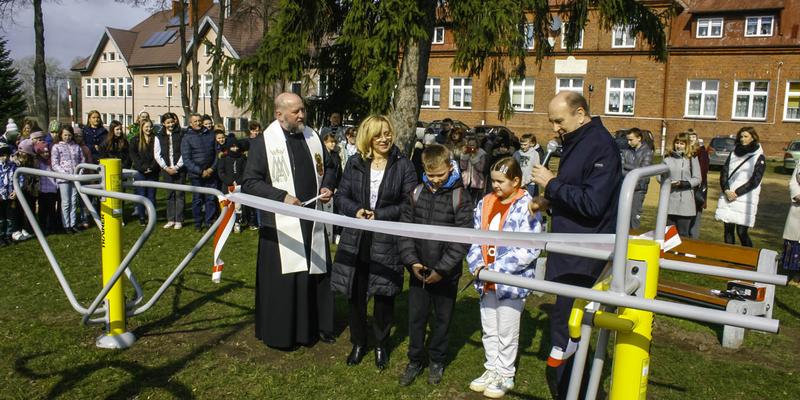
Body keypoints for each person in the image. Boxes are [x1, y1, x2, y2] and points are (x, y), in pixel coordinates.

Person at [529, 91, 621, 400]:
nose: (555, 128)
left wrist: (551, 184)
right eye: (552, 122)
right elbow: (577, 193)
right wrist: (550, 202)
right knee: (567, 322)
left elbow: (593, 204)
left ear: (580, 114)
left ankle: (574, 391)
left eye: (559, 121)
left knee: (569, 325)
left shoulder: (600, 146)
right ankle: (573, 388)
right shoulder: (578, 141)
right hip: (569, 247)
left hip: (584, 253)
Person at [241, 92, 338, 350]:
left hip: (312, 220)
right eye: (296, 112)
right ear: (279, 114)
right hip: (280, 224)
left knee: (315, 274)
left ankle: (317, 327)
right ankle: (283, 333)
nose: (302, 115)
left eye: (302, 110)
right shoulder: (263, 143)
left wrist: (328, 186)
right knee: (286, 279)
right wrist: (281, 196)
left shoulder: (312, 137)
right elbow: (249, 182)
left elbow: (330, 167)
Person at [332, 114, 417, 369]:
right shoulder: (355, 163)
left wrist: (380, 214)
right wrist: (356, 210)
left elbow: (409, 203)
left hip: (387, 240)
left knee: (384, 295)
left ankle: (381, 344)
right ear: (368, 137)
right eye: (378, 135)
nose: (384, 139)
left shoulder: (403, 165)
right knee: (356, 293)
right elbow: (341, 197)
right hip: (356, 238)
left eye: (387, 134)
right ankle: (359, 342)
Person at [397, 144, 473, 386]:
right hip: (418, 269)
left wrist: (442, 270)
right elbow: (405, 231)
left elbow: (463, 239)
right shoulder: (415, 193)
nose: (436, 180)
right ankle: (414, 360)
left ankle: (437, 360)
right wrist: (412, 262)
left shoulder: (460, 197)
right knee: (416, 318)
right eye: (431, 175)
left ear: (450, 167)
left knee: (442, 319)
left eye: (440, 174)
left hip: (446, 274)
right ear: (424, 170)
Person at [467, 157, 542, 398]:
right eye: (493, 181)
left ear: (516, 181)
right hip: (486, 280)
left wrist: (496, 268)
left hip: (511, 283)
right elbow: (475, 237)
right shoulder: (485, 202)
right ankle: (491, 368)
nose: (495, 185)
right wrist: (477, 264)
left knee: (507, 331)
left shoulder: (527, 206)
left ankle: (505, 373)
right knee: (489, 328)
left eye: (501, 181)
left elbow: (530, 248)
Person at [715, 127, 765, 247]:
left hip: (745, 198)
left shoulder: (759, 156)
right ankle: (729, 256)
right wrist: (726, 190)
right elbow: (724, 172)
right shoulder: (733, 154)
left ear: (753, 138)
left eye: (746, 136)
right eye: (741, 136)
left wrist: (737, 193)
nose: (742, 139)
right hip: (728, 195)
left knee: (742, 232)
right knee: (728, 230)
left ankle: (749, 256)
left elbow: (755, 180)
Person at [181, 113, 218, 231]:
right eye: (195, 121)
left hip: (211, 173)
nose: (198, 123)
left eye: (199, 121)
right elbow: (186, 159)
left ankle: (209, 222)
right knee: (197, 199)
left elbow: (217, 154)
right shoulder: (187, 138)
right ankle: (198, 223)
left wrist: (211, 169)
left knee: (210, 199)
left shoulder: (211, 135)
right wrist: (201, 171)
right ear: (190, 123)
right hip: (196, 175)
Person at [659, 133, 700, 237]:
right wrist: (668, 182)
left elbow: (697, 179)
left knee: (683, 234)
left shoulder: (692, 159)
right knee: (669, 235)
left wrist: (682, 184)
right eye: (677, 143)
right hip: (669, 201)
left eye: (682, 143)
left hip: (686, 202)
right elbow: (659, 176)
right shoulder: (667, 159)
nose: (678, 146)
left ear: (687, 145)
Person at [50, 125, 85, 233]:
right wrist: (64, 173)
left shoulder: (76, 147)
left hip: (75, 177)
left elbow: (82, 160)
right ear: (61, 135)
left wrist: (79, 172)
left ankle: (73, 223)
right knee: (66, 202)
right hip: (63, 179)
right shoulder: (56, 147)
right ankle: (66, 225)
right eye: (65, 135)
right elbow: (54, 163)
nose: (67, 137)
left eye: (69, 135)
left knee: (74, 201)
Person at [154, 113, 185, 229]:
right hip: (166, 169)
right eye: (168, 122)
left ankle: (179, 220)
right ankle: (171, 219)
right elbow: (157, 154)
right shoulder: (159, 136)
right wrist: (166, 167)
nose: (170, 124)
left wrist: (177, 167)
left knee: (180, 194)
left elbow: (184, 152)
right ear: (163, 123)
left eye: (172, 122)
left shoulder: (181, 134)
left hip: (179, 169)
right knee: (169, 194)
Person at [621, 128, 653, 230]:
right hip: (625, 187)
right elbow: (620, 169)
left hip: (639, 189)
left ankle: (633, 236)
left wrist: (627, 166)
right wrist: (633, 169)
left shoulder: (647, 152)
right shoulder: (626, 151)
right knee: (622, 216)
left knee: (634, 216)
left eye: (631, 140)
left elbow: (643, 171)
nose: (628, 142)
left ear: (639, 138)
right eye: (627, 140)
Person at [130, 119, 159, 226]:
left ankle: (151, 217)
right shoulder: (135, 140)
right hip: (140, 172)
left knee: (151, 195)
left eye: (150, 126)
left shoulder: (156, 139)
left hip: (153, 171)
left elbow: (158, 155)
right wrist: (142, 168)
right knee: (141, 195)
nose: (149, 129)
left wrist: (152, 167)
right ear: (142, 127)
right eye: (146, 127)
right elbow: (134, 156)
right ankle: (142, 217)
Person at [217, 139, 246, 232]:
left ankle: (237, 222)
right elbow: (221, 172)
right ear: (229, 147)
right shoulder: (224, 159)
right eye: (233, 147)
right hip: (226, 186)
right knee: (227, 205)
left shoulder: (242, 158)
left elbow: (245, 172)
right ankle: (228, 224)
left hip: (238, 186)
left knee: (238, 206)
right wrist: (229, 181)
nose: (235, 148)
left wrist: (238, 181)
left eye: (236, 146)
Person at [781, 164, 800, 287]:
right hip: (798, 207)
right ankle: (792, 273)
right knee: (794, 241)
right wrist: (796, 195)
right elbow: (793, 181)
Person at [688, 130, 709, 238]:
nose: (691, 139)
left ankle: (693, 239)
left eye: (693, 136)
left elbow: (703, 171)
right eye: (689, 136)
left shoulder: (701, 152)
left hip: (697, 188)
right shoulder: (684, 150)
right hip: (685, 187)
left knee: (695, 217)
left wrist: (695, 182)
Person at [460, 136, 487, 203]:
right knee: (465, 200)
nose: (471, 147)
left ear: (477, 145)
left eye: (473, 145)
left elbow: (480, 168)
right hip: (466, 181)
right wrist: (464, 156)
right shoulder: (466, 152)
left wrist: (474, 158)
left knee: (475, 201)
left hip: (477, 181)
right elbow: (463, 167)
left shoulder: (481, 153)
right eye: (469, 145)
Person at [513, 133, 541, 198]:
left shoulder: (535, 154)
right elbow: (513, 167)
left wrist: (526, 182)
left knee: (528, 200)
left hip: (530, 184)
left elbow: (536, 170)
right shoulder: (517, 153)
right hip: (518, 182)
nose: (522, 147)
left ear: (531, 144)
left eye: (525, 145)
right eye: (521, 144)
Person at [0, 143, 17, 245]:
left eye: (6, 155)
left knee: (10, 217)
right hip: (0, 197)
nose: (5, 157)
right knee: (1, 218)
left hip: (10, 196)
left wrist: (16, 191)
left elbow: (19, 179)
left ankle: (8, 235)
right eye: (2, 155)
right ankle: (1, 237)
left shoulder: (13, 166)